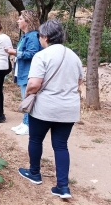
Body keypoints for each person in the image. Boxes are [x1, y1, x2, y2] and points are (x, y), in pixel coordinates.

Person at [18, 20, 83, 199]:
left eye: (40, 35)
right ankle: (63, 187)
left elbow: (34, 83)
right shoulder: (74, 56)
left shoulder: (42, 55)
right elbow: (79, 82)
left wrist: (28, 95)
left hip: (45, 107)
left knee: (36, 139)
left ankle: (34, 173)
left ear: (45, 37)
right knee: (61, 146)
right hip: (69, 108)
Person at [4, 10, 42, 135]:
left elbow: (33, 54)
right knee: (25, 99)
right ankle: (25, 123)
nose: (18, 21)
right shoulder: (26, 36)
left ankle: (29, 125)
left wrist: (14, 52)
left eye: (20, 19)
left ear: (27, 21)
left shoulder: (33, 36)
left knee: (28, 100)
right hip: (23, 72)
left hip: (29, 73)